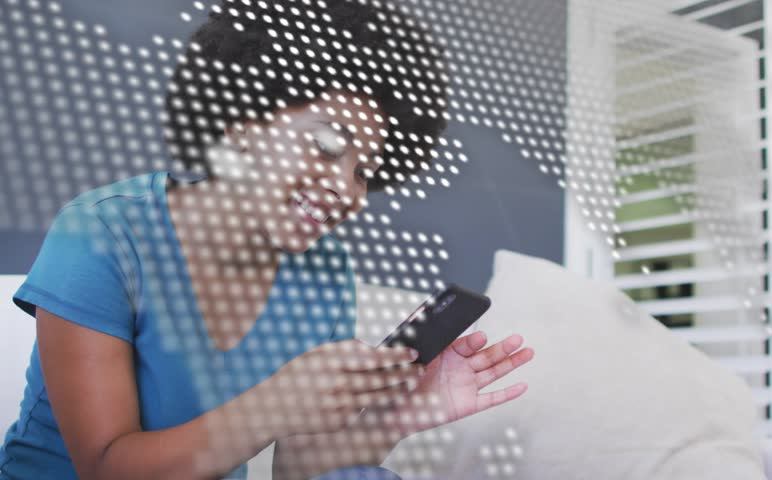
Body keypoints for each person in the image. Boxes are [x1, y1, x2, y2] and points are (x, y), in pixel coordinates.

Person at [0, 1, 535, 479]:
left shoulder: (326, 272)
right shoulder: (104, 232)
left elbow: (300, 469)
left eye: (363, 172)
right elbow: (105, 467)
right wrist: (268, 408)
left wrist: (396, 419)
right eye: (326, 146)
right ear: (241, 122)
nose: (344, 189)